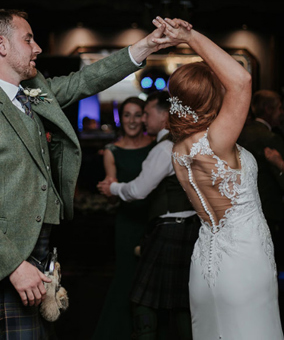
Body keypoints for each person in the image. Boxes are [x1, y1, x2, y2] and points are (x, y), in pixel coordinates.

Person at [0, 9, 183, 338]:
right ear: (1, 45)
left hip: (38, 254)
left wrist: (146, 46)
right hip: (2, 262)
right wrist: (12, 265)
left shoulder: (33, 92)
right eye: (28, 39)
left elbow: (85, 80)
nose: (37, 47)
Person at [164, 17, 284, 339]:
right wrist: (190, 37)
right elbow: (242, 80)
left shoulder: (177, 152)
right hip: (245, 260)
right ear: (210, 98)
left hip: (205, 262)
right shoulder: (217, 141)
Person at [98, 91, 198, 340]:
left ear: (164, 116)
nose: (143, 120)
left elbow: (138, 191)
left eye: (147, 114)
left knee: (143, 297)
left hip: (168, 229)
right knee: (181, 300)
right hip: (188, 226)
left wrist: (112, 188)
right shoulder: (190, 141)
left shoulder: (165, 148)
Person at [92, 97, 153, 340]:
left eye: (137, 114)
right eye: (127, 115)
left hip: (152, 222)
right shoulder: (112, 151)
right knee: (126, 280)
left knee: (151, 282)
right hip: (127, 223)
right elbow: (113, 198)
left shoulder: (157, 145)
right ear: (120, 118)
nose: (132, 120)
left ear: (145, 118)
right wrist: (108, 193)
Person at [238, 90, 284, 268]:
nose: (281, 113)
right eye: (280, 108)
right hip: (268, 209)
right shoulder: (270, 138)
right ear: (268, 109)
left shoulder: (242, 131)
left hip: (244, 207)